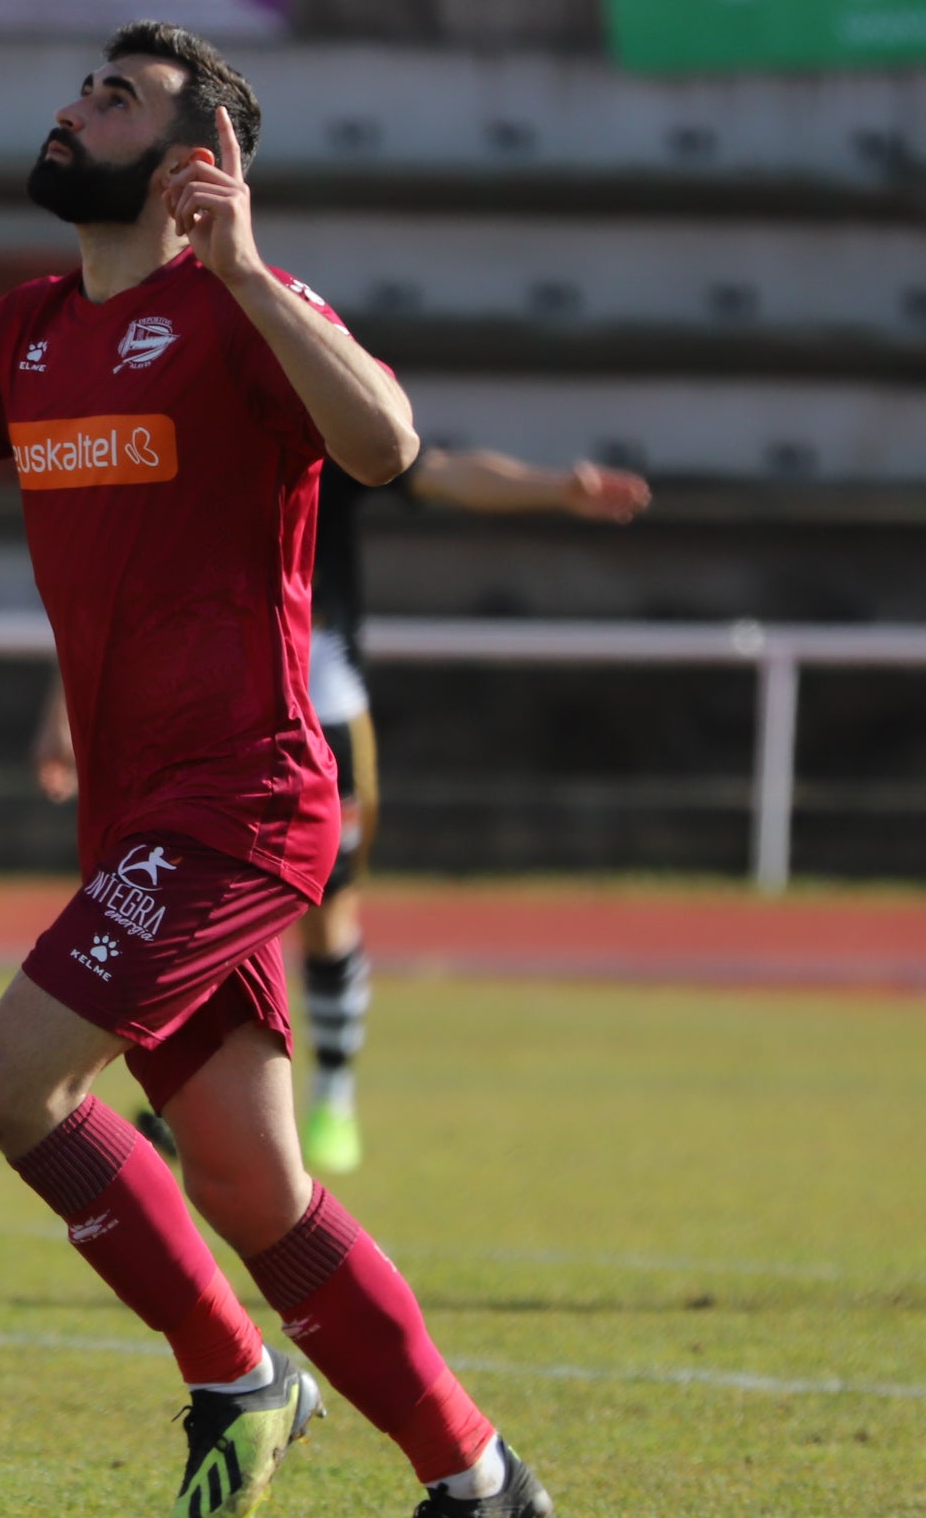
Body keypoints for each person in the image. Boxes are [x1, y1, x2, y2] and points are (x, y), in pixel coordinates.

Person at [0, 21, 552, 1518]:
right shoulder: (22, 331)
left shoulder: (233, 314)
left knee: (14, 1081)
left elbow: (387, 444)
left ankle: (233, 1377)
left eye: (115, 99)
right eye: (81, 88)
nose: (75, 109)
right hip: (136, 816)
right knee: (247, 1186)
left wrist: (252, 270)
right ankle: (474, 1473)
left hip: (241, 798)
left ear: (197, 156)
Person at [35, 448, 650, 1175]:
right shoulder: (182, 448)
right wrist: (62, 707)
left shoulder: (322, 432)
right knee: (196, 913)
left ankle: (333, 1095)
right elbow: (116, 591)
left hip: (318, 711)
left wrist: (555, 486)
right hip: (199, 714)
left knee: (326, 915)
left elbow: (445, 471)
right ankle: (200, 1104)